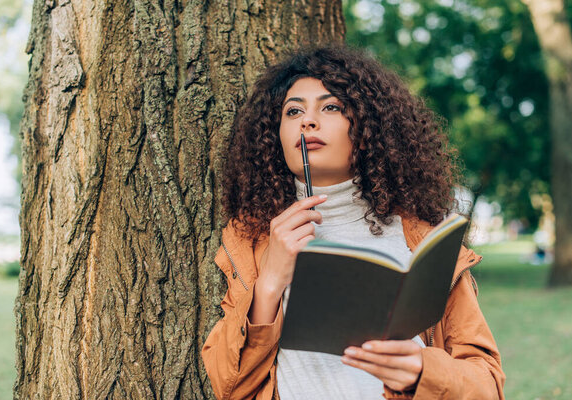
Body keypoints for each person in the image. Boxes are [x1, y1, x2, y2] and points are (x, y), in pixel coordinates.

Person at [202, 46, 505, 400]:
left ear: (367, 125)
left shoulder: (423, 240)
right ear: (275, 135)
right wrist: (269, 283)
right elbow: (228, 386)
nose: (307, 121)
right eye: (293, 110)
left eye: (330, 107)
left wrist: (422, 371)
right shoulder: (254, 240)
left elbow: (487, 384)